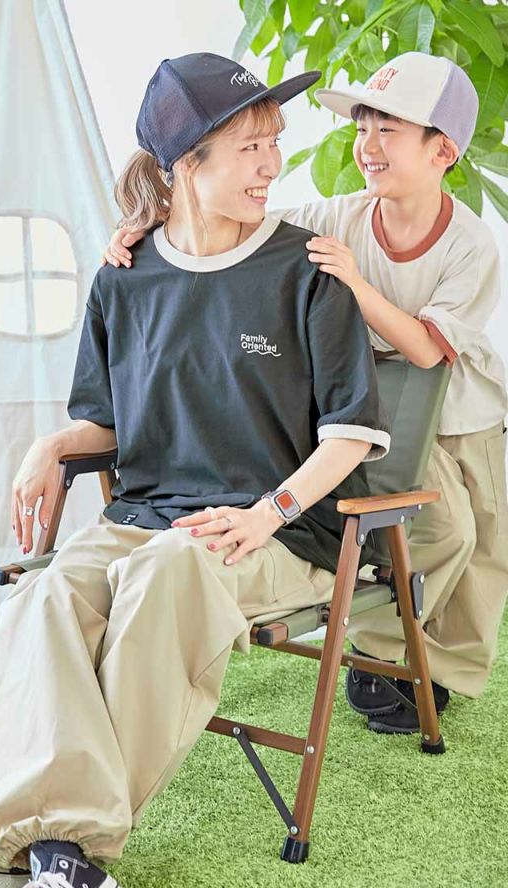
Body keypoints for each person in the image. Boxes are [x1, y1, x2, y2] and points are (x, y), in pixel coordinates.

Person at [0, 53, 390, 888]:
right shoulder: (124, 276)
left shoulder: (307, 268)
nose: (273, 163)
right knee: (42, 595)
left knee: (166, 571)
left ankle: (55, 849)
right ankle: (57, 849)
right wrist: (52, 445)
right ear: (185, 165)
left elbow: (351, 435)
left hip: (275, 531)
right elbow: (106, 421)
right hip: (146, 514)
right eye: (250, 147)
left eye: (274, 142)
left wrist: (269, 510)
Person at [103, 51, 508, 735]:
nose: (367, 145)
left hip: (459, 405)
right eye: (363, 128)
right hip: (379, 402)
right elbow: (232, 218)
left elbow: (426, 350)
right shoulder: (340, 215)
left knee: (484, 543)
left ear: (443, 152)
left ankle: (444, 670)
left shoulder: (470, 242)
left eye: (388, 131)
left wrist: (355, 283)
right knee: (441, 531)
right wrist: (150, 225)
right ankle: (381, 655)